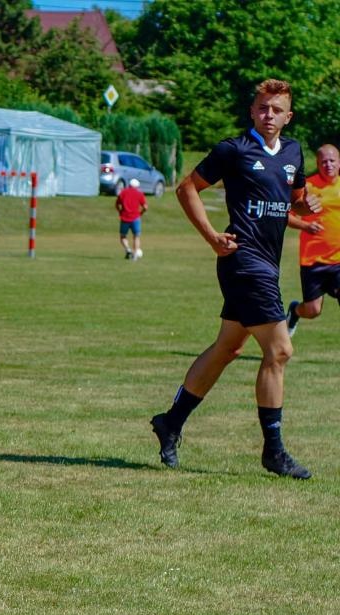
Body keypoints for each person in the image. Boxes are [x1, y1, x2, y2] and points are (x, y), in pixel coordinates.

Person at [150, 79, 320, 479]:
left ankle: (170, 422)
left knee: (228, 348)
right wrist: (211, 236)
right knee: (279, 351)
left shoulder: (294, 151)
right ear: (252, 111)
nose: (269, 115)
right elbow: (186, 186)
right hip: (242, 262)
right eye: (262, 108)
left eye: (277, 110)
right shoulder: (234, 149)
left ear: (288, 115)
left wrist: (307, 201)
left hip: (268, 264)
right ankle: (273, 451)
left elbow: (293, 197)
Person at [287, 143, 340, 334]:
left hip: (338, 260)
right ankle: (295, 311)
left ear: (339, 162)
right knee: (312, 310)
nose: (329, 165)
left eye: (332, 160)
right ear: (317, 163)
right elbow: (285, 215)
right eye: (324, 161)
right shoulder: (307, 187)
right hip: (313, 261)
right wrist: (305, 226)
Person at [117, 177, 148, 260]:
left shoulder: (123, 193)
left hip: (124, 217)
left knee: (123, 236)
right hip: (135, 218)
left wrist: (120, 211)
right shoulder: (139, 194)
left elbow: (117, 204)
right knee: (136, 236)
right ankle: (135, 255)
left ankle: (128, 250)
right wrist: (140, 213)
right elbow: (145, 207)